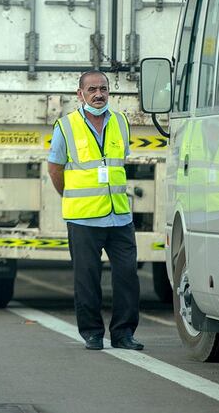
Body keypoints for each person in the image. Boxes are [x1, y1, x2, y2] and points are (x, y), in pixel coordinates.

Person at [47, 71, 143, 351]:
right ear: (80, 94)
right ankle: (92, 333)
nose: (98, 94)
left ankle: (124, 333)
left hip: (119, 215)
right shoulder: (66, 126)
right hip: (84, 216)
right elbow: (55, 168)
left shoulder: (122, 122)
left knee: (127, 275)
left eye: (103, 89)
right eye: (91, 90)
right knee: (87, 278)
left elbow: (120, 161)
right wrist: (71, 197)